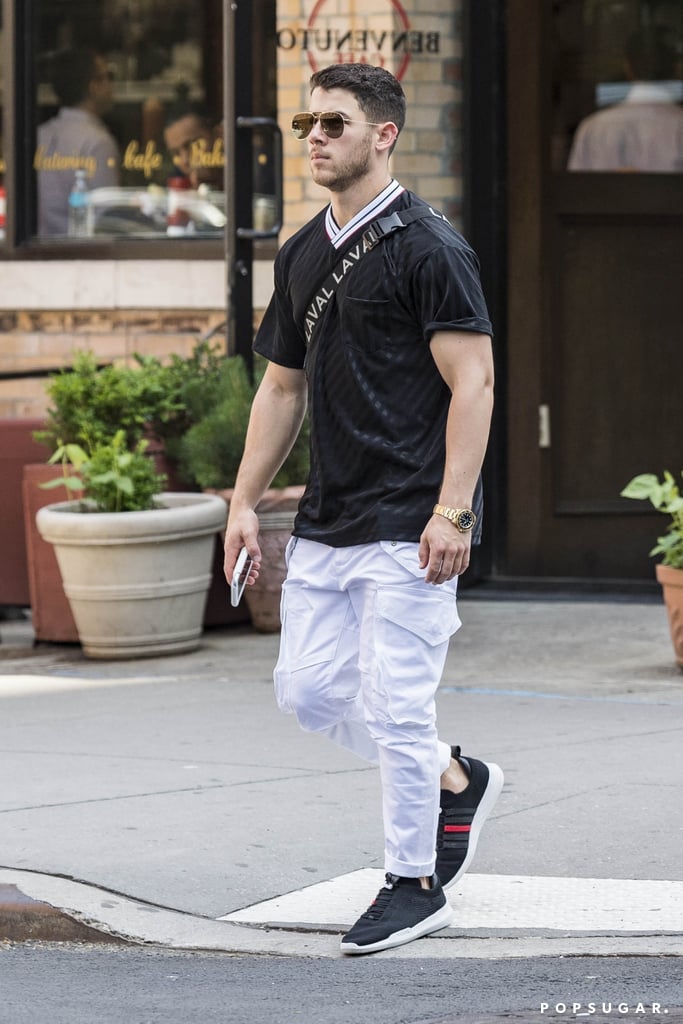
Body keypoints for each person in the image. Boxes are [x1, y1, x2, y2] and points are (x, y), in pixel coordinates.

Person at [223, 63, 503, 956]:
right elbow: (278, 389)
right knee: (306, 693)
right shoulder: (303, 249)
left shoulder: (430, 247)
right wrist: (240, 504)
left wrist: (452, 511)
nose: (314, 136)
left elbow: (475, 382)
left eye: (334, 123)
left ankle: (411, 884)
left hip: (413, 519)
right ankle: (454, 778)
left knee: (395, 706)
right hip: (329, 516)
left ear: (383, 135)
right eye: (308, 121)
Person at [568, 29, 683, 172]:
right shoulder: (679, 124)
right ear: (678, 67)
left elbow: (577, 190)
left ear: (627, 66)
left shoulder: (592, 128)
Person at [36, 49, 120, 236]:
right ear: (94, 86)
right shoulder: (97, 142)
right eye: (109, 76)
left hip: (38, 252)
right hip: (82, 255)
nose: (112, 86)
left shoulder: (39, 135)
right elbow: (107, 218)